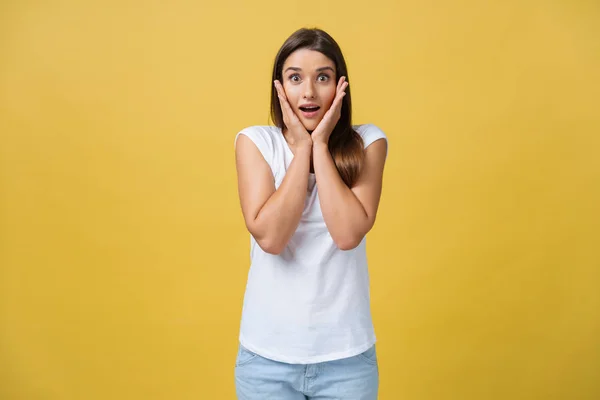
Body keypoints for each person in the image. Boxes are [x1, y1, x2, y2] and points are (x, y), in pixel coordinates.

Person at [233, 27, 388, 400]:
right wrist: (301, 149)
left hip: (346, 360)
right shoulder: (256, 142)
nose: (309, 92)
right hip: (266, 361)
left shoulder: (368, 142)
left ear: (340, 86)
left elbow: (348, 234)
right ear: (279, 88)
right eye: (295, 78)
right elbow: (271, 238)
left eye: (323, 77)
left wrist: (319, 143)